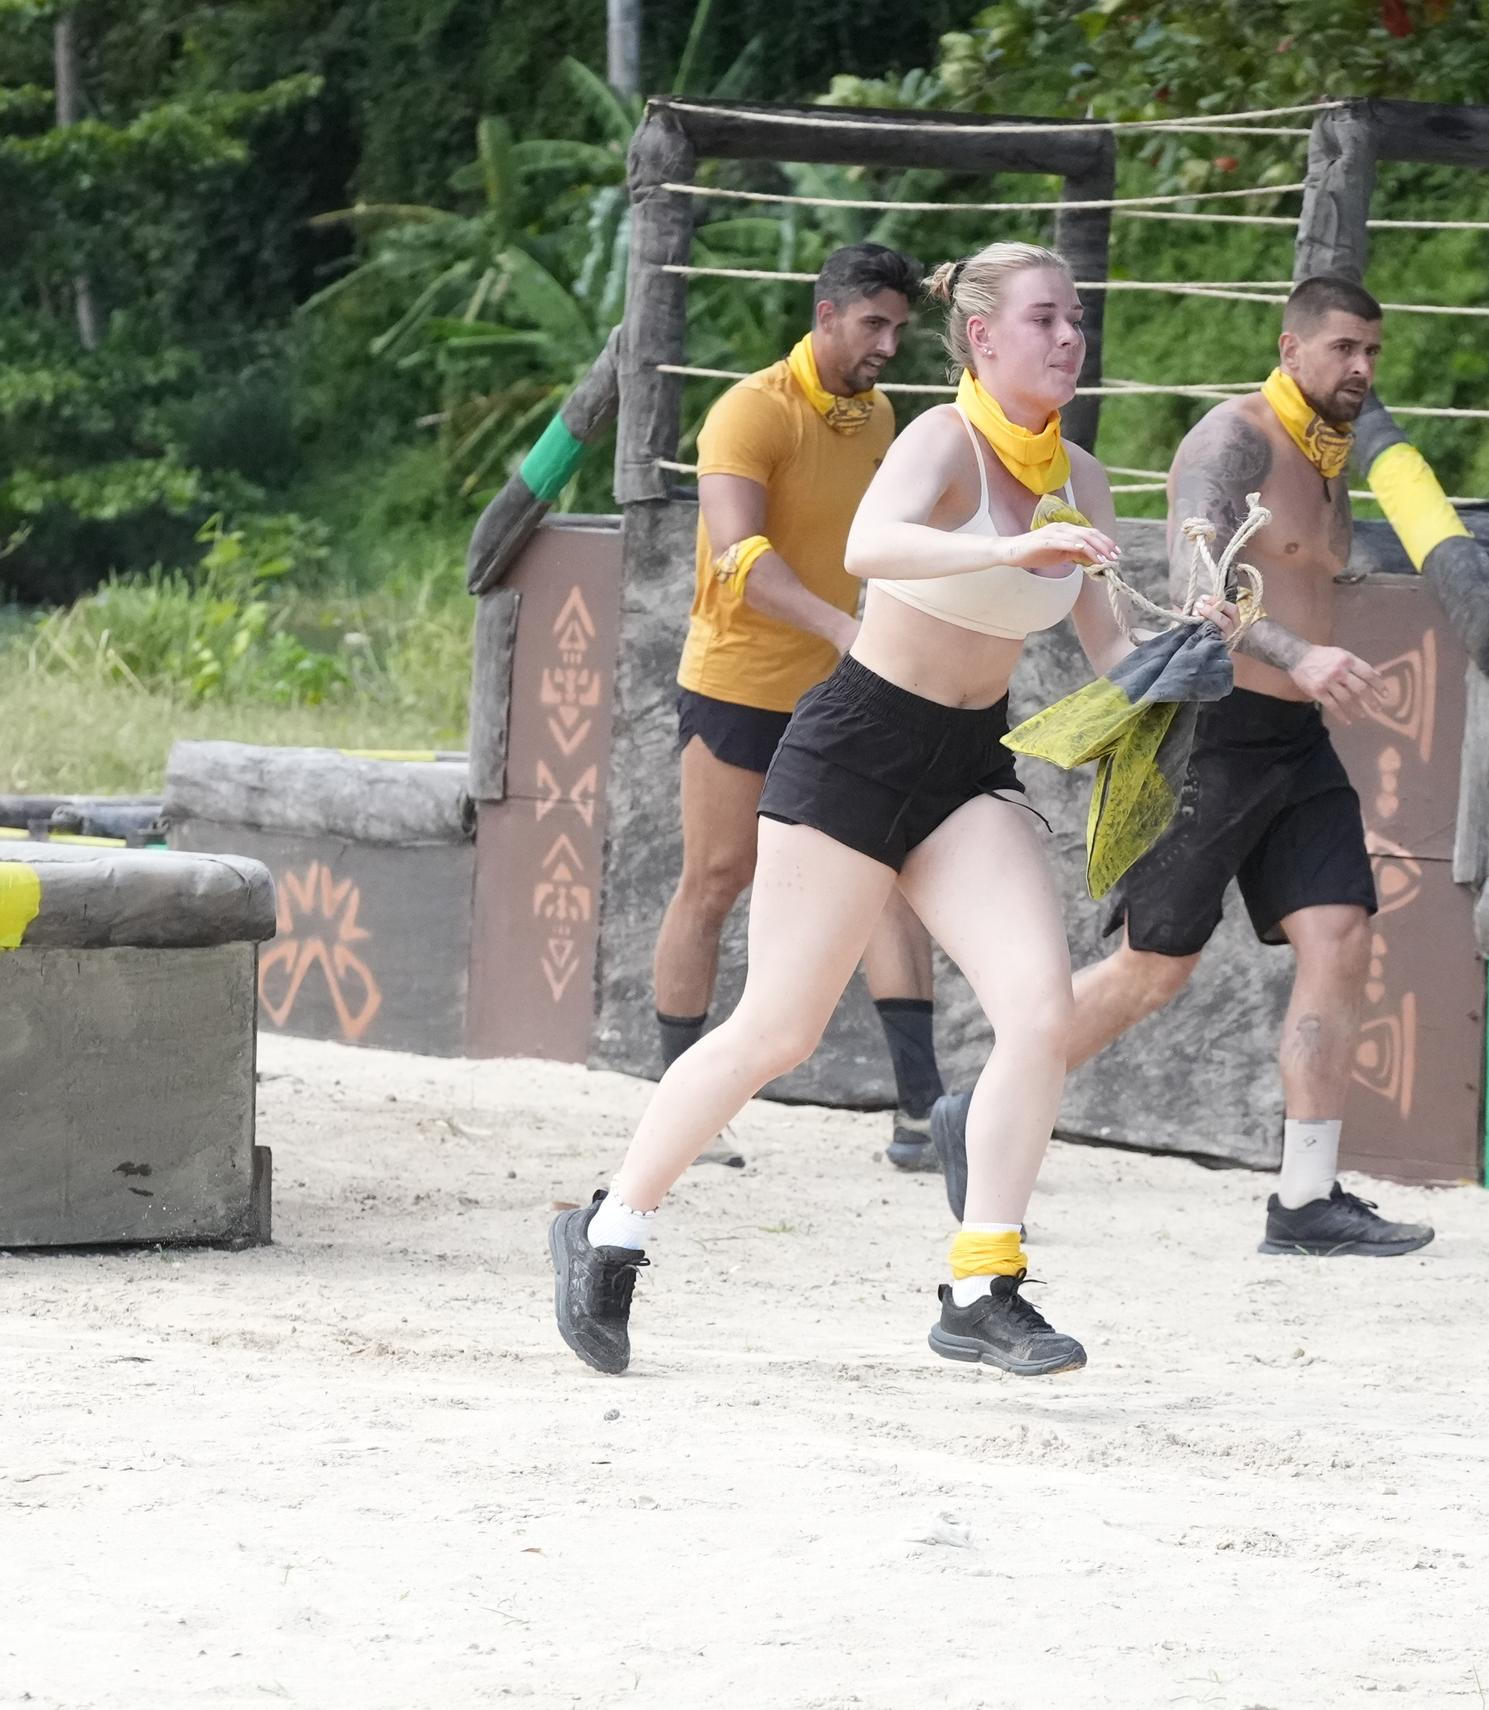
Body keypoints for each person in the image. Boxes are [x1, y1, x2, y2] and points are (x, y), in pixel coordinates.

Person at [551, 241, 1143, 1377]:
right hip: (857, 749)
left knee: (1039, 1013)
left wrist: (1194, 652)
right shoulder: (941, 440)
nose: (1070, 337)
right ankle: (609, 1227)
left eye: (1075, 318)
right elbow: (871, 549)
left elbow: (1112, 648)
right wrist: (1017, 543)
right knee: (778, 1030)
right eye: (1044, 319)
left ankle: (981, 1287)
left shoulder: (1081, 476)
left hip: (966, 765)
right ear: (982, 336)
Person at [929, 276, 1437, 1260]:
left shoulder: (1330, 455)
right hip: (1212, 727)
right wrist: (1300, 655)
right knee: (1154, 968)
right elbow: (1192, 584)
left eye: (1373, 351)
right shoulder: (1231, 440)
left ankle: (1305, 1200)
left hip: (1296, 740)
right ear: (1290, 349)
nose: (1361, 368)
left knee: (1341, 936)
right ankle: (976, 1106)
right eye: (1343, 348)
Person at [653, 243, 948, 1171]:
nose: (889, 345)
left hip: (842, 691)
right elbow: (739, 555)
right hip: (739, 680)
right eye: (873, 325)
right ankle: (683, 1104)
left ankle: (922, 1114)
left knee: (886, 879)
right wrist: (842, 627)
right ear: (826, 316)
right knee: (716, 879)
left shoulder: (881, 416)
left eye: (899, 328)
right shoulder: (751, 410)